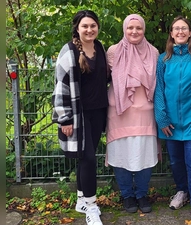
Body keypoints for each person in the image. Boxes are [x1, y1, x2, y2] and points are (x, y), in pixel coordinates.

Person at [52, 10, 108, 225]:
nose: (89, 29)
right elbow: (61, 86)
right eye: (85, 26)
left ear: (97, 27)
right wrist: (64, 118)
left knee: (87, 157)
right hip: (78, 114)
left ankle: (80, 199)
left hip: (99, 112)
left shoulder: (100, 47)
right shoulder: (69, 51)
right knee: (89, 160)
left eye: (93, 25)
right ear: (77, 28)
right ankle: (91, 206)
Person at [154, 15, 191, 225]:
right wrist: (161, 117)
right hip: (170, 122)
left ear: (189, 33)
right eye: (176, 29)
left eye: (184, 28)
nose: (180, 32)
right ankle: (182, 191)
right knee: (176, 162)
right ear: (171, 33)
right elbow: (158, 89)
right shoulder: (163, 59)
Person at [105, 14, 159, 214]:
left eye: (138, 28)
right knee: (120, 155)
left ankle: (142, 194)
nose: (134, 32)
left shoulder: (153, 52)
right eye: (130, 28)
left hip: (146, 113)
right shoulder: (113, 51)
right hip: (119, 112)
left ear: (144, 29)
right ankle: (127, 195)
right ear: (124, 29)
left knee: (145, 154)